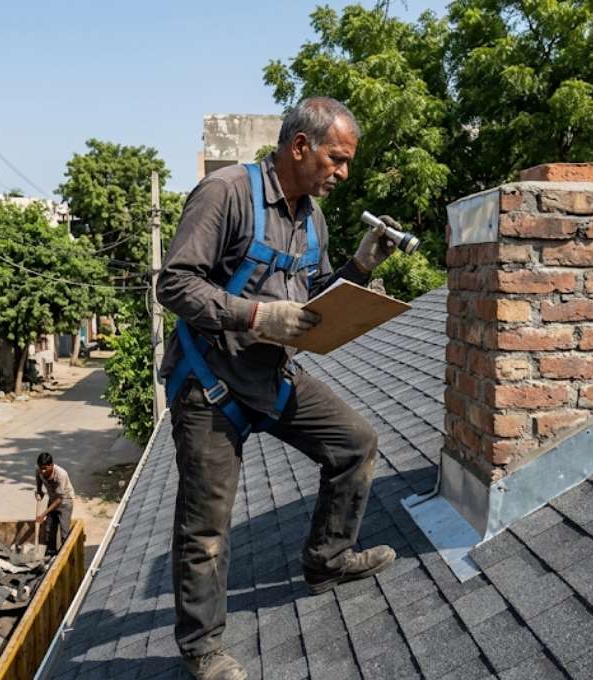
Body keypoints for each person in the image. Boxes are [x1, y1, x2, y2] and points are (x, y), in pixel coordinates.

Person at [157, 97, 400, 680]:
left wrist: (360, 269)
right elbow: (174, 284)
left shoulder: (310, 217)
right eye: (336, 160)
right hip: (210, 384)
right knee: (206, 526)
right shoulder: (227, 194)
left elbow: (315, 298)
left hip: (271, 376)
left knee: (355, 444)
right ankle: (203, 648)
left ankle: (327, 560)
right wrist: (258, 317)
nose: (343, 173)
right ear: (300, 147)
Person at [34, 452, 74, 556]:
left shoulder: (61, 475)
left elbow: (59, 499)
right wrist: (39, 491)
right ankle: (51, 552)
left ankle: (66, 556)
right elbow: (39, 478)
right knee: (49, 528)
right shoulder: (39, 471)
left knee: (65, 533)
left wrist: (43, 514)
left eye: (45, 468)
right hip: (53, 500)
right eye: (41, 468)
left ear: (51, 465)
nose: (42, 471)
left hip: (65, 501)